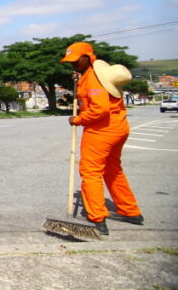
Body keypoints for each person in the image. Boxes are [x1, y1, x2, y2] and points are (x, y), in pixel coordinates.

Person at [60, 41, 143, 235]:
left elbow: (100, 109)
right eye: (70, 61)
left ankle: (96, 217)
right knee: (113, 170)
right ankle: (130, 211)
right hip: (118, 127)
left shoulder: (94, 78)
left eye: (75, 60)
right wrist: (78, 77)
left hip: (102, 130)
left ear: (87, 58)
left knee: (90, 173)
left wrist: (78, 119)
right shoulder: (91, 74)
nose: (72, 64)